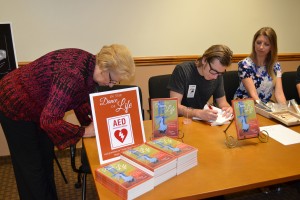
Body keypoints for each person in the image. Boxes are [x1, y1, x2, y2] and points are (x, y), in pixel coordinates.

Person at [0, 44, 135, 200]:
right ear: (104, 67)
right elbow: (50, 120)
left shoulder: (90, 65)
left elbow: (79, 100)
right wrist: (85, 131)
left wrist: (93, 123)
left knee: (45, 159)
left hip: (40, 108)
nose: (111, 85)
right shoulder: (71, 75)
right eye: (112, 80)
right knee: (32, 168)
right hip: (15, 103)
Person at [168, 44, 233, 122]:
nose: (215, 77)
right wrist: (197, 113)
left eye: (220, 73)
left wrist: (228, 110)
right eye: (213, 71)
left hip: (202, 121)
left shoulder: (218, 74)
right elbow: (174, 106)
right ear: (204, 60)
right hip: (180, 121)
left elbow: (222, 103)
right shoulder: (183, 70)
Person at [234, 27, 286, 104]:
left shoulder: (276, 66)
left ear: (272, 47)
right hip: (245, 106)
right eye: (258, 43)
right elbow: (253, 95)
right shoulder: (245, 65)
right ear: (254, 43)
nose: (261, 47)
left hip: (264, 106)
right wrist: (265, 111)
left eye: (266, 44)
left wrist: (285, 111)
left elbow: (279, 94)